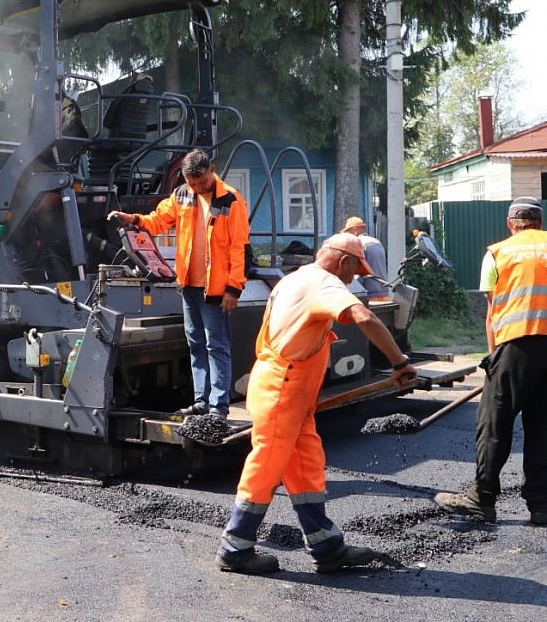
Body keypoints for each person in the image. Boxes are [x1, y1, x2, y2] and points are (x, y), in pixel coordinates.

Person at [216, 233, 419, 574]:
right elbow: (364, 317)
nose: (355, 278)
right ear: (343, 261)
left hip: (289, 390)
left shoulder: (293, 279)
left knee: (307, 466)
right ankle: (235, 548)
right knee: (266, 465)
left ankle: (326, 546)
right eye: (356, 270)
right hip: (284, 387)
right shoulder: (324, 283)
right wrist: (399, 362)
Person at [108, 148, 249, 418]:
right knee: (196, 342)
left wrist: (234, 289)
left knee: (216, 345)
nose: (197, 187)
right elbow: (159, 221)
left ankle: (218, 405)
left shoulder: (231, 200)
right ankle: (201, 401)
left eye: (202, 182)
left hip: (215, 289)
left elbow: (238, 248)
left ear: (212, 170)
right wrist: (134, 219)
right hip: (189, 286)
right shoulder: (182, 195)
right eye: (192, 183)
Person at [434, 196, 547, 526]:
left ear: (511, 224)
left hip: (515, 345)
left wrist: (492, 358)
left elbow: (492, 312)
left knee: (494, 421)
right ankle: (541, 505)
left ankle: (482, 498)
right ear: (539, 224)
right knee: (542, 426)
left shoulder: (498, 252)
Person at [341, 216, 389, 298]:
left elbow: (359, 272)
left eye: (348, 232)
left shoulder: (358, 244)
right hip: (383, 291)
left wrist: (350, 289)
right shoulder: (377, 242)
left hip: (368, 294)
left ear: (355, 231)